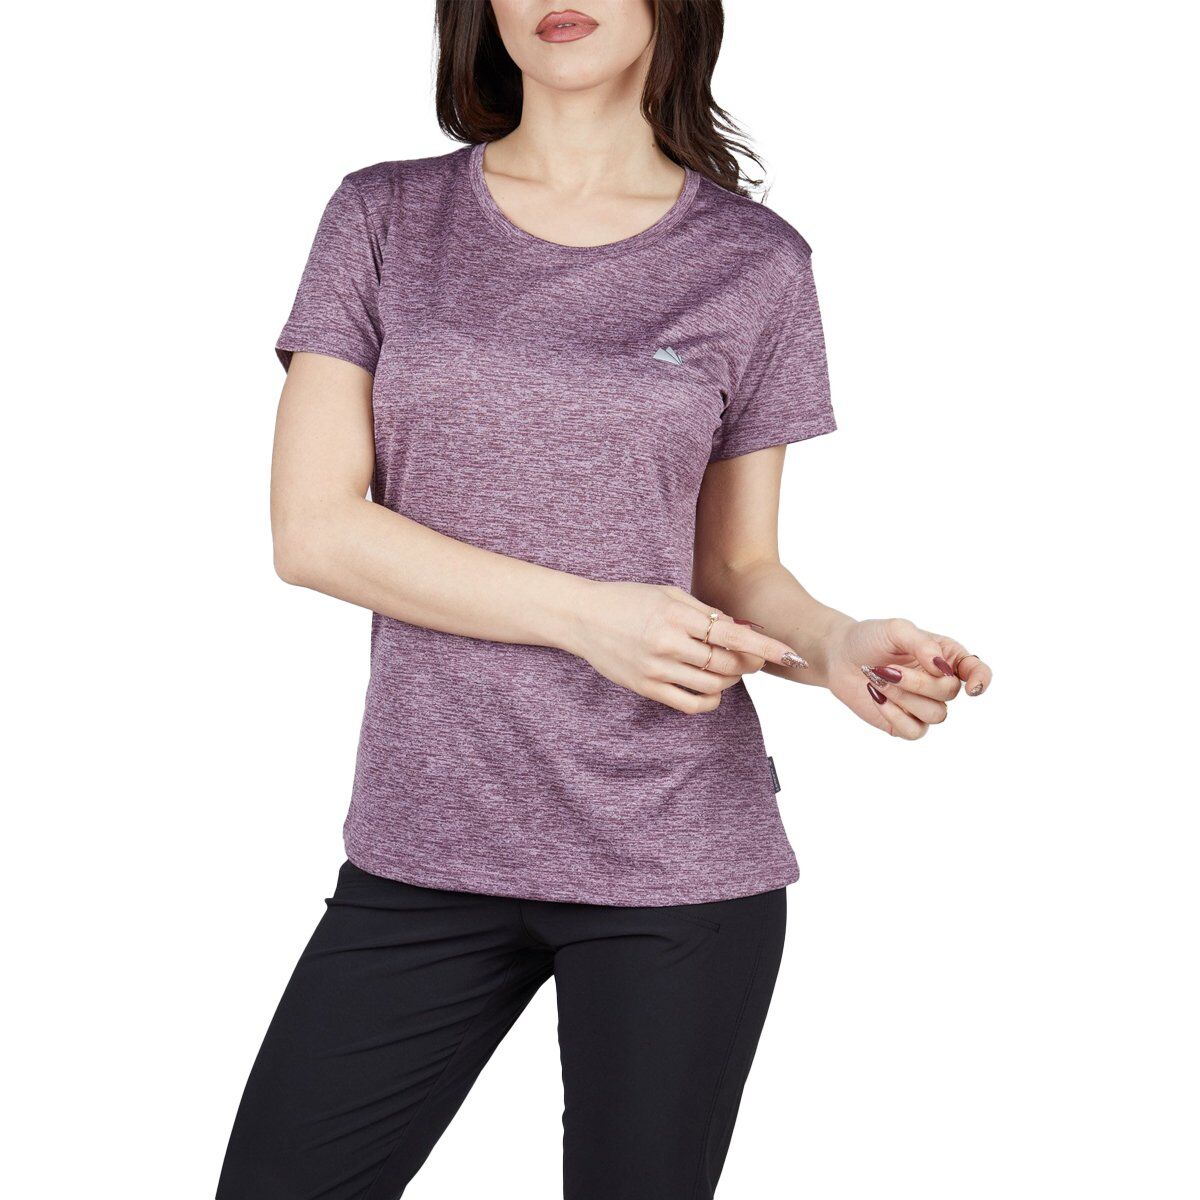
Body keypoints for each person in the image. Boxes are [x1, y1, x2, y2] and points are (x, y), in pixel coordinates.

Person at [216, 2, 993, 1197]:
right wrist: (589, 616)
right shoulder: (384, 217)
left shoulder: (755, 263)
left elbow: (733, 569)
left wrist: (835, 643)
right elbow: (315, 532)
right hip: (428, 840)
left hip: (676, 857)